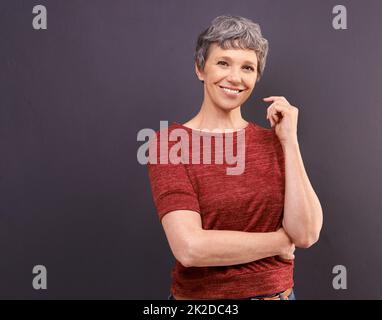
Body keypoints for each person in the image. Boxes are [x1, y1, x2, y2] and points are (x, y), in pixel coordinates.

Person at [147, 15, 323, 300]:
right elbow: (190, 248)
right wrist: (278, 242)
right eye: (223, 62)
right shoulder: (170, 143)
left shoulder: (274, 141)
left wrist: (289, 141)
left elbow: (305, 234)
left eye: (247, 67)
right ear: (200, 69)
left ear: (256, 77)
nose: (235, 77)